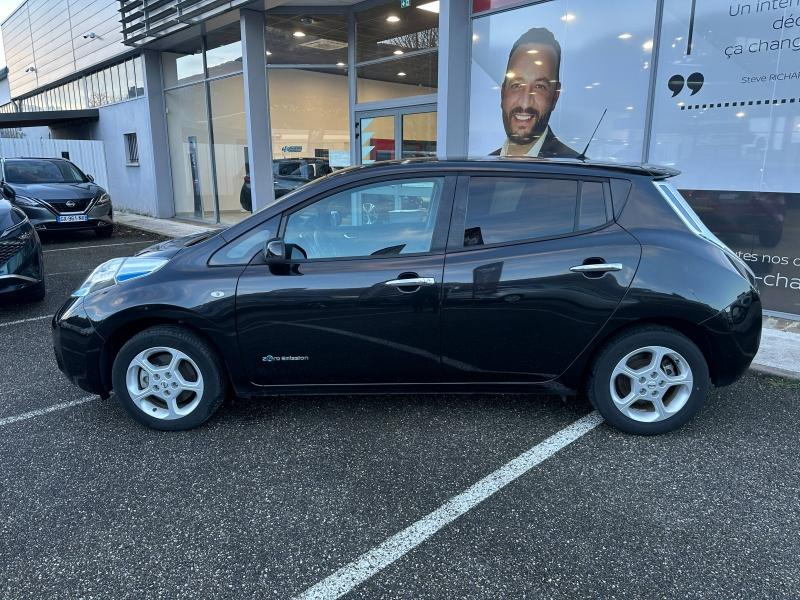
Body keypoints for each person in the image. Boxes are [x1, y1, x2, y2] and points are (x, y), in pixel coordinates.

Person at [492, 27, 580, 158]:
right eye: (516, 85)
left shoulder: (573, 167)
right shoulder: (481, 166)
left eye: (539, 86)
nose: (525, 102)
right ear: (503, 93)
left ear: (555, 97)